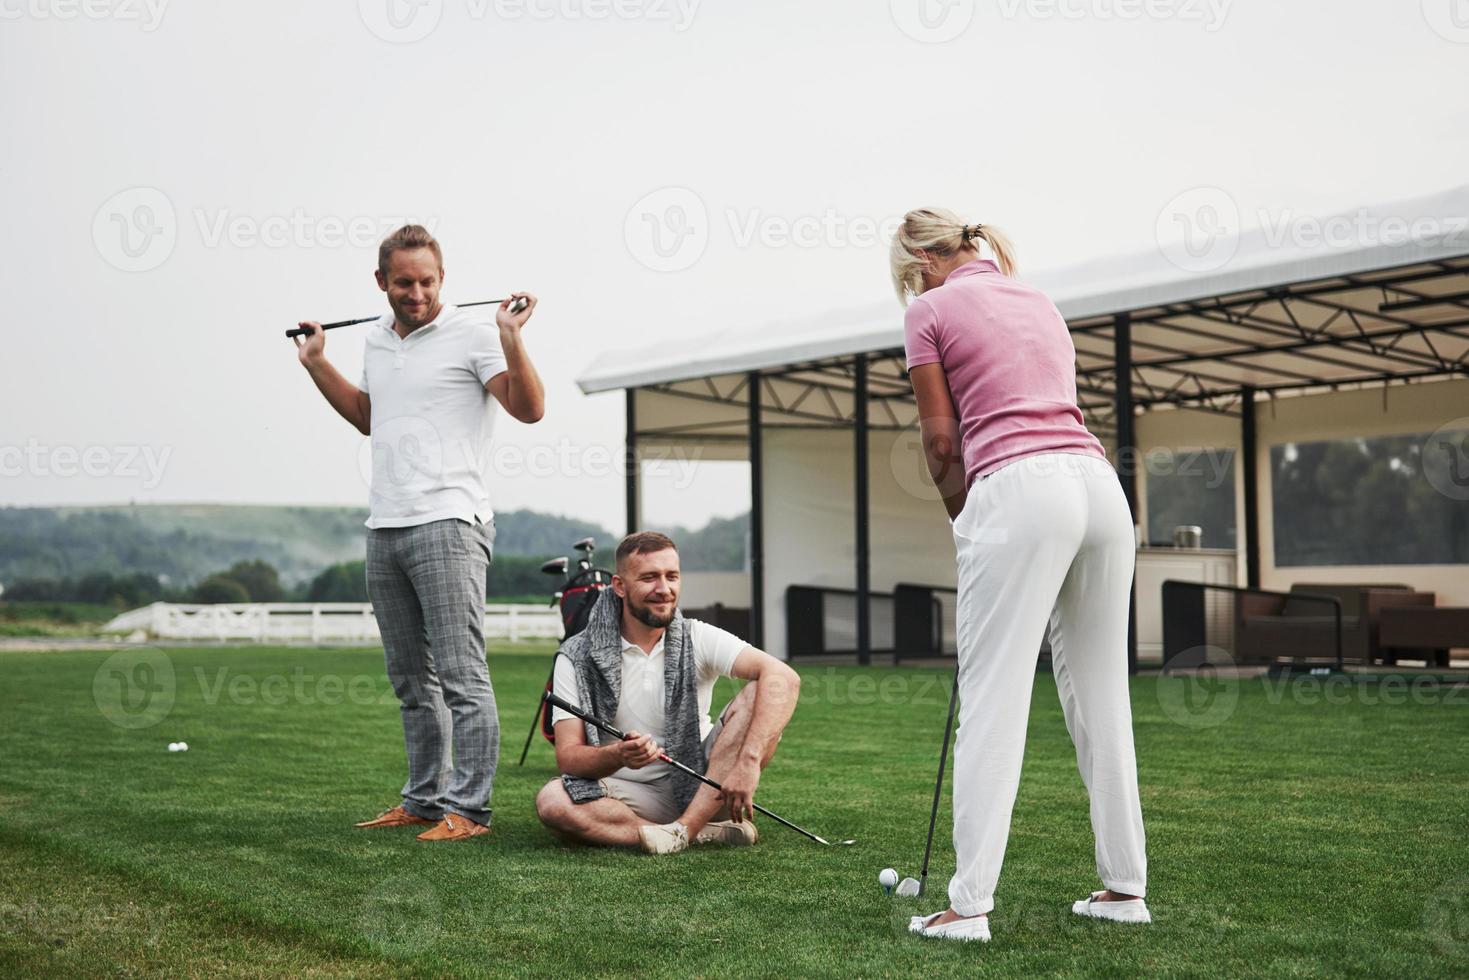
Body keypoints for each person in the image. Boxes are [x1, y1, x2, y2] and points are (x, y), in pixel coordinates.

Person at [889, 209, 1148, 941]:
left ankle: (967, 907)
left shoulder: (926, 310)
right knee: (1102, 695)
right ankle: (1124, 890)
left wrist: (961, 518)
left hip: (1018, 488)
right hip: (1098, 489)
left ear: (923, 261)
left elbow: (942, 444)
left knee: (993, 698)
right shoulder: (1037, 299)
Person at [293, 224, 545, 841]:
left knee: (462, 676)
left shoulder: (475, 333)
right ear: (381, 281)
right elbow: (366, 418)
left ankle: (471, 811)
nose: (416, 293)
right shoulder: (377, 340)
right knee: (411, 679)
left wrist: (512, 338)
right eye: (403, 282)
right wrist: (317, 363)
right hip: (386, 524)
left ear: (442, 279)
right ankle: (425, 800)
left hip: (451, 522)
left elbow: (529, 407)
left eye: (427, 281)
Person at [534, 532, 801, 855]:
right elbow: (569, 757)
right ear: (619, 586)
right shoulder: (575, 655)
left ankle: (685, 827)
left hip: (706, 786)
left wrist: (748, 762)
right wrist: (619, 755)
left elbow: (784, 679)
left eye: (671, 576)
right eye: (649, 578)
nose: (664, 589)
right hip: (624, 791)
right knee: (552, 802)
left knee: (760, 691)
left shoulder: (696, 636)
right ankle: (698, 833)